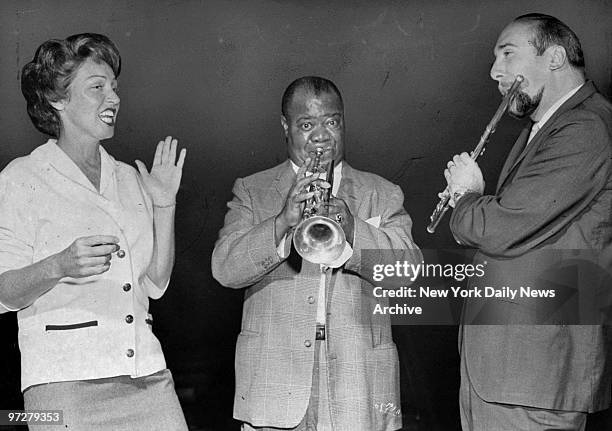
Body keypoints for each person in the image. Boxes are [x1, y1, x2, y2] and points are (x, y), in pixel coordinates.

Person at [0, 33, 188, 430]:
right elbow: (5, 292)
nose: (113, 99)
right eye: (97, 87)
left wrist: (164, 204)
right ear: (58, 99)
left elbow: (155, 284)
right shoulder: (21, 178)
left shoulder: (128, 178)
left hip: (147, 375)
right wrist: (60, 264)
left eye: (114, 88)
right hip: (63, 383)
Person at [212, 76, 422, 431]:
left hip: (358, 381)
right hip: (274, 379)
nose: (321, 136)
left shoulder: (383, 193)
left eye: (332, 121)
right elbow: (224, 269)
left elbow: (410, 275)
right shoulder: (252, 190)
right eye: (307, 124)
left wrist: (352, 226)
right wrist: (281, 222)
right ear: (286, 127)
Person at [443, 14, 612, 431]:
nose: (495, 72)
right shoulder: (546, 127)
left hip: (534, 377)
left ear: (554, 57)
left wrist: (464, 197)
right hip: (509, 375)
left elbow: (498, 228)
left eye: (507, 54)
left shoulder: (585, 126)